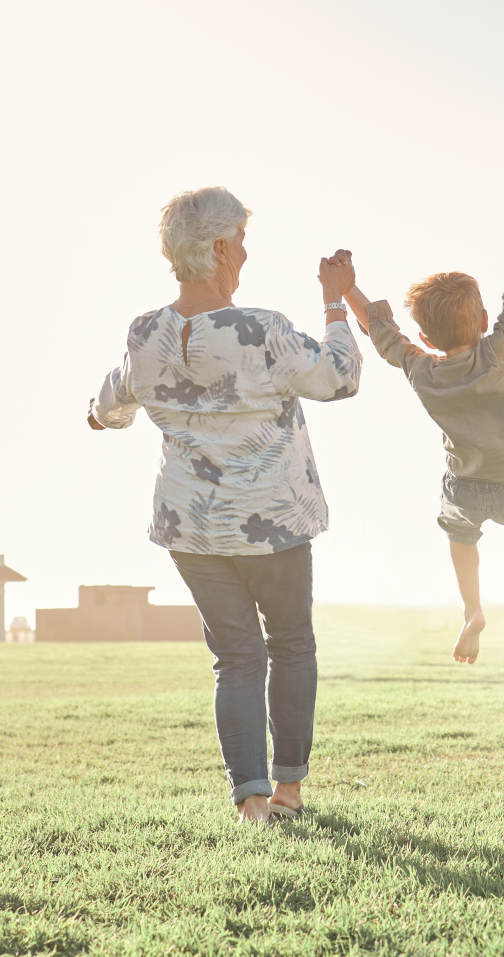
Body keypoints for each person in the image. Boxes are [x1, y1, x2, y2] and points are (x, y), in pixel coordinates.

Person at [88, 187, 362, 824]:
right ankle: (289, 794)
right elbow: (339, 379)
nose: (245, 250)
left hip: (192, 532)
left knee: (236, 657)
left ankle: (251, 803)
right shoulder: (260, 329)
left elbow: (114, 397)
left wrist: (101, 418)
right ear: (217, 249)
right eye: (240, 239)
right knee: (291, 645)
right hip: (274, 525)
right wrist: (334, 302)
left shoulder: (145, 332)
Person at [330, 183, 504, 664]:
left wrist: (345, 287)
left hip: (464, 484)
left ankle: (473, 609)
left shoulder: (422, 370)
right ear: (483, 319)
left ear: (423, 335)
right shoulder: (499, 352)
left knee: (462, 540)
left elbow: (381, 332)